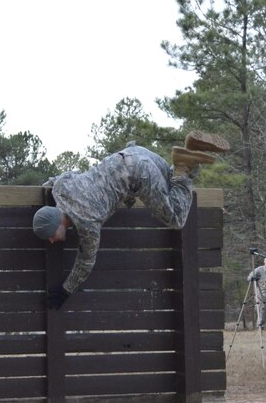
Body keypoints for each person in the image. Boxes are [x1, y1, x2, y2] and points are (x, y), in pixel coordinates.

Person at [32, 132, 228, 309]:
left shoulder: (86, 222)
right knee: (171, 182)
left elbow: (85, 262)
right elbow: (63, 176)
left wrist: (66, 290)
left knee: (176, 218)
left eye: (50, 235)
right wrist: (46, 185)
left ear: (57, 224)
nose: (51, 241)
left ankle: (184, 166)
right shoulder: (59, 188)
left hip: (139, 174)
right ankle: (192, 148)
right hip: (131, 153)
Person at [247, 255, 266, 331]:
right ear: (264, 261)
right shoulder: (259, 269)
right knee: (261, 309)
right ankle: (260, 327)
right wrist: (253, 278)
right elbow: (249, 277)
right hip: (260, 292)